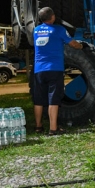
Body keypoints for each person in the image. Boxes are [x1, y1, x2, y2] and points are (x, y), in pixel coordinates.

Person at [32, 7, 83, 136]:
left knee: (38, 99)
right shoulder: (59, 30)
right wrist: (81, 45)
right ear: (52, 17)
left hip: (39, 70)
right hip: (54, 68)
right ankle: (53, 128)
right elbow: (73, 44)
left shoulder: (36, 30)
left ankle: (38, 126)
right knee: (53, 99)